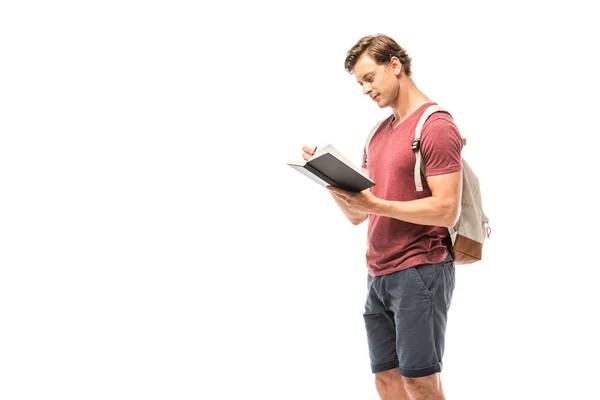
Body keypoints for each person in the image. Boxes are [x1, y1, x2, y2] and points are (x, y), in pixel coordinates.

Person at [301, 34, 463, 399]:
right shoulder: (377, 133)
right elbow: (358, 216)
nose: (364, 89)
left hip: (420, 271)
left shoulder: (435, 126)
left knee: (420, 382)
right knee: (386, 378)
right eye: (360, 83)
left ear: (395, 65)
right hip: (378, 273)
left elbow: (446, 208)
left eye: (369, 78)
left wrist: (375, 205)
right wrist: (331, 181)